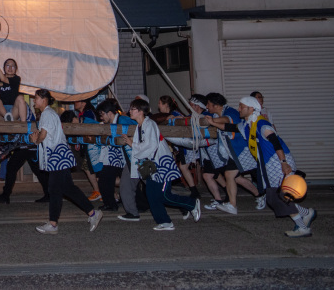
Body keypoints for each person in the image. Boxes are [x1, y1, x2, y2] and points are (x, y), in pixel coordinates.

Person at [217, 96, 316, 237]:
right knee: (276, 195)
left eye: (241, 107)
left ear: (251, 109)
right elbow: (230, 127)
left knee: (278, 196)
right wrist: (212, 122)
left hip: (277, 162)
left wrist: (283, 163)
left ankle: (303, 227)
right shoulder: (249, 124)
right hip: (268, 163)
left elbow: (275, 141)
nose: (238, 109)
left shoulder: (261, 124)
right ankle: (306, 213)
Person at [31, 89, 102, 235]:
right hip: (60, 154)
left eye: (36, 98)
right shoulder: (49, 114)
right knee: (66, 189)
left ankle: (54, 223)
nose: (34, 101)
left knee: (55, 189)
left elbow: (43, 135)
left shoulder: (46, 114)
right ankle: (92, 213)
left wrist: (35, 141)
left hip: (57, 155)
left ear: (44, 99)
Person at [124, 98, 200, 231]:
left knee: (163, 195)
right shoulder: (140, 126)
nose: (130, 111)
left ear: (141, 111)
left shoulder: (149, 124)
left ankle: (191, 203)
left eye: (132, 109)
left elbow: (151, 145)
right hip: (151, 166)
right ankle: (164, 222)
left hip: (161, 165)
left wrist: (132, 144)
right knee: (152, 195)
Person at [96, 98, 140, 221]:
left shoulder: (123, 120)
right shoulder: (115, 121)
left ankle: (137, 206)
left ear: (110, 113)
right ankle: (136, 206)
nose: (101, 118)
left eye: (102, 115)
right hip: (122, 157)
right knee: (121, 183)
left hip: (129, 156)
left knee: (133, 183)